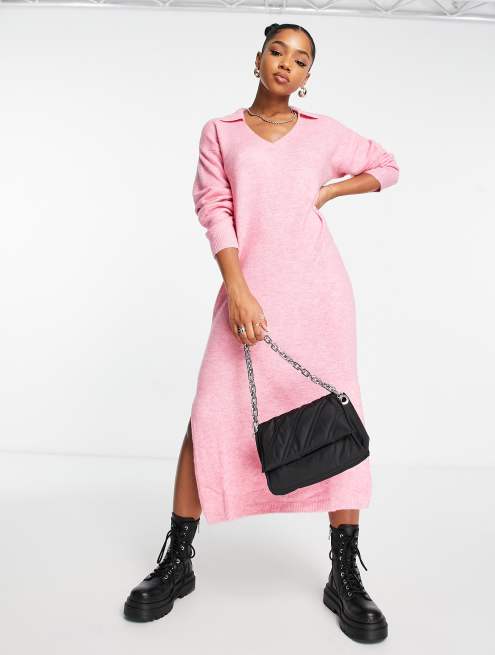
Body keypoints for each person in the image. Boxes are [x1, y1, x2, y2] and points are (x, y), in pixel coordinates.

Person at [123, 22, 399, 644]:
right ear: (258, 58)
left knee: (338, 421)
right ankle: (178, 560)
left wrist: (331, 191)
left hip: (319, 299)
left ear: (307, 76)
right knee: (209, 418)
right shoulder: (220, 132)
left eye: (300, 60)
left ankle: (344, 573)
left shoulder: (324, 133)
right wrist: (239, 288)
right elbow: (214, 208)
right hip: (248, 293)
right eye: (278, 51)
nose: (286, 65)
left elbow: (388, 166)